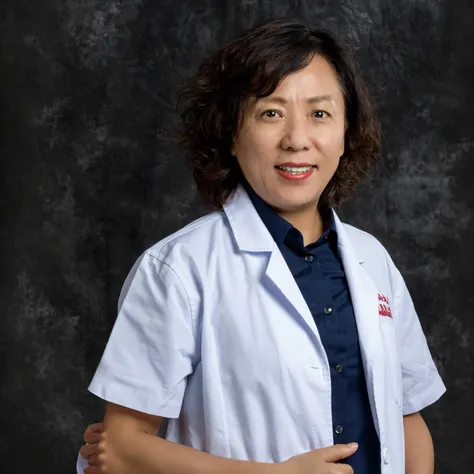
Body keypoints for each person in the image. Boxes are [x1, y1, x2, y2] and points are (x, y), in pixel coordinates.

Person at [76, 17, 446, 474]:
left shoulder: (373, 261)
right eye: (270, 113)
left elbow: (408, 418)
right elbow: (119, 449)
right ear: (231, 133)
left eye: (319, 113)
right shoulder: (177, 268)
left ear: (346, 133)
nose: (296, 140)